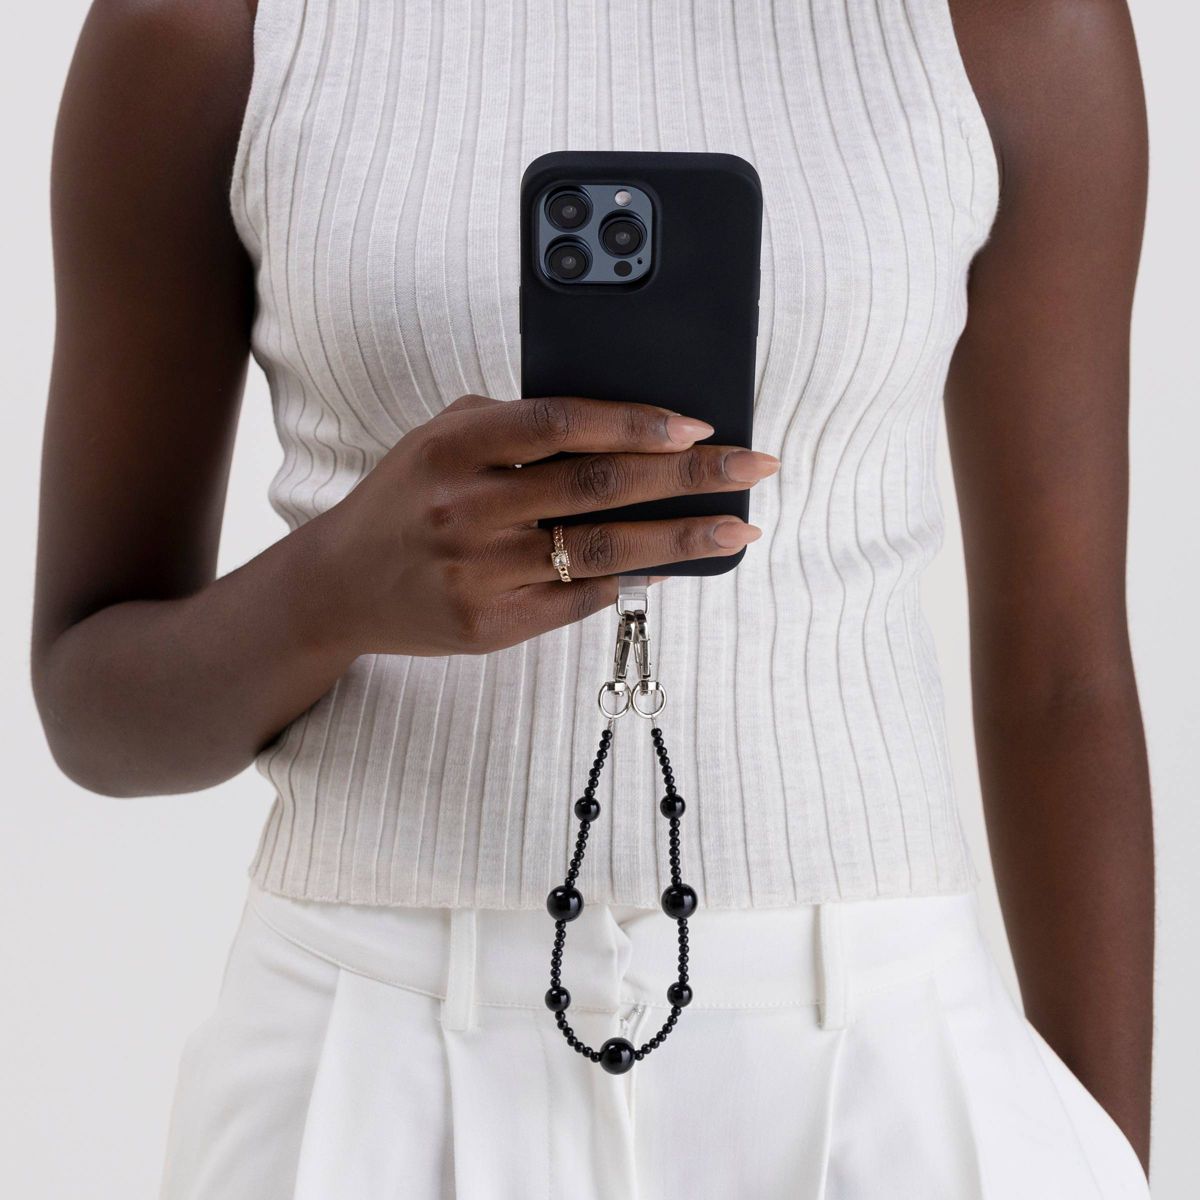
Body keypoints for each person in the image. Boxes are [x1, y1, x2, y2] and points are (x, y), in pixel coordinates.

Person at [33, 1, 1153, 1196]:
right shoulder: (213, 27)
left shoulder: (1011, 25)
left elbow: (1062, 675)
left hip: (886, 1058)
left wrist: (1109, 1160)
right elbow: (92, 703)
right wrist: (335, 588)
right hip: (367, 1059)